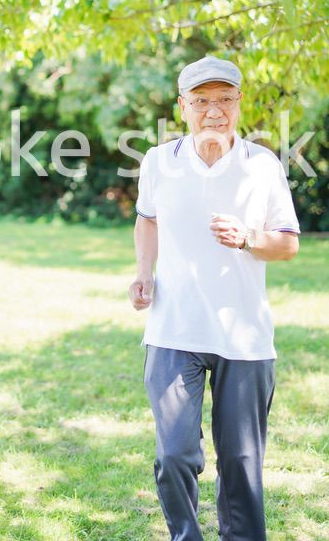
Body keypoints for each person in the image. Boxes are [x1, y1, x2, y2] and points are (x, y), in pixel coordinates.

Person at [128, 55, 300, 541]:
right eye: (202, 101)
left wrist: (248, 237)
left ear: (239, 102)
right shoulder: (158, 162)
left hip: (243, 337)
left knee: (243, 465)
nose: (214, 111)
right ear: (183, 106)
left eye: (224, 100)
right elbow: (147, 219)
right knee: (175, 455)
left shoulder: (262, 166)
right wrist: (144, 272)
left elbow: (287, 243)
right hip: (173, 329)